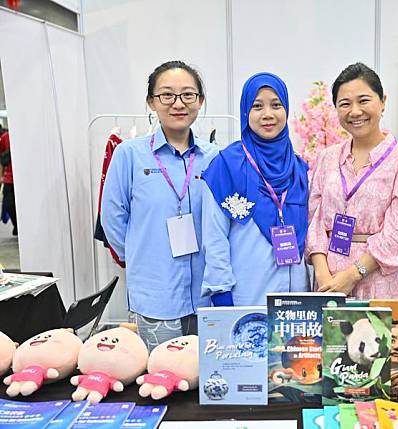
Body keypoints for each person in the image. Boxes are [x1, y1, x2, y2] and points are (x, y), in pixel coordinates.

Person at [101, 60, 217, 350]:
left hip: (205, 292)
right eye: (167, 95)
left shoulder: (214, 157)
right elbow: (112, 218)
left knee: (202, 380)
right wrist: (142, 257)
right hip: (155, 293)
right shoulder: (129, 155)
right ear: (151, 102)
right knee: (162, 378)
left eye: (188, 94)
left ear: (200, 101)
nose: (178, 103)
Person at [306, 62, 398, 299]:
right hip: (328, 281)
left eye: (364, 100)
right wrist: (322, 275)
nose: (355, 111)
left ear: (382, 102)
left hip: (377, 280)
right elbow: (314, 220)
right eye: (345, 104)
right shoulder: (327, 158)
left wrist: (353, 275)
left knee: (374, 336)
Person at [200, 72, 309, 306]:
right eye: (257, 106)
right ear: (245, 112)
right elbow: (215, 239)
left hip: (296, 308)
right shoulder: (226, 165)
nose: (268, 114)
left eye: (276, 105)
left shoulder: (299, 169)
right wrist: (223, 299)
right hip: (247, 299)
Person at [0, 127, 17, 236]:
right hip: (9, 178)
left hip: (24, 179)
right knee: (9, 203)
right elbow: (1, 159)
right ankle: (17, 225)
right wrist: (1, 176)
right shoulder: (5, 138)